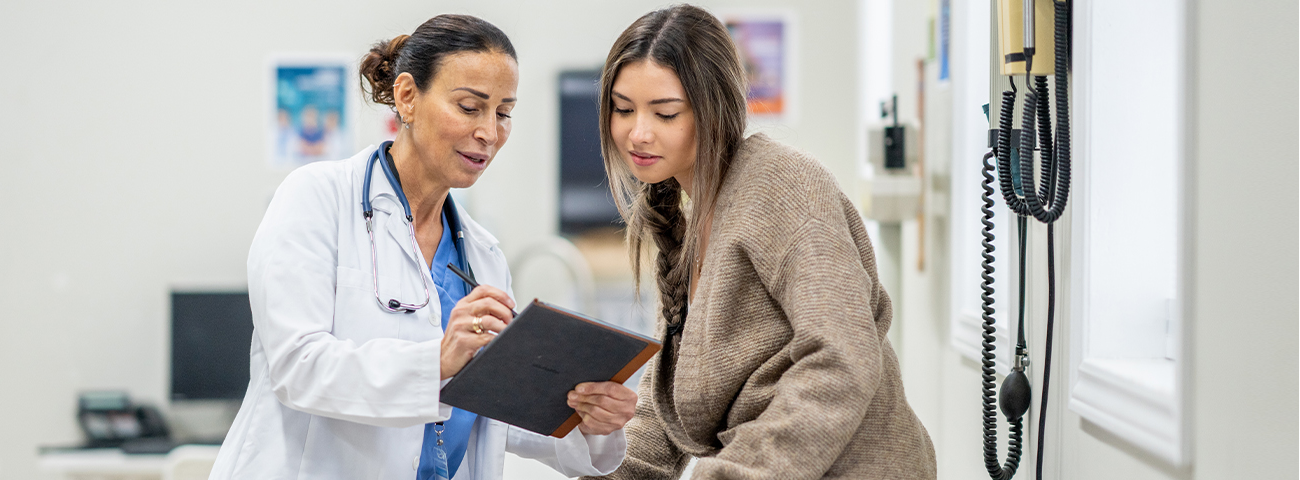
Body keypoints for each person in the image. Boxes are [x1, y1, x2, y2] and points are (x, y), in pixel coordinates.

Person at [209, 14, 636, 480]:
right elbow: (297, 366)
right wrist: (436, 361)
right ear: (408, 97)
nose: (489, 133)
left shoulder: (483, 255)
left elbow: (493, 412)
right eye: (470, 107)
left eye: (504, 112)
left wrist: (587, 415)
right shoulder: (317, 198)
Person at [584, 5, 936, 479]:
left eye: (665, 113)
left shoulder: (781, 185)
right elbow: (666, 408)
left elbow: (842, 357)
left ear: (713, 109)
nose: (637, 133)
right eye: (623, 109)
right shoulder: (689, 213)